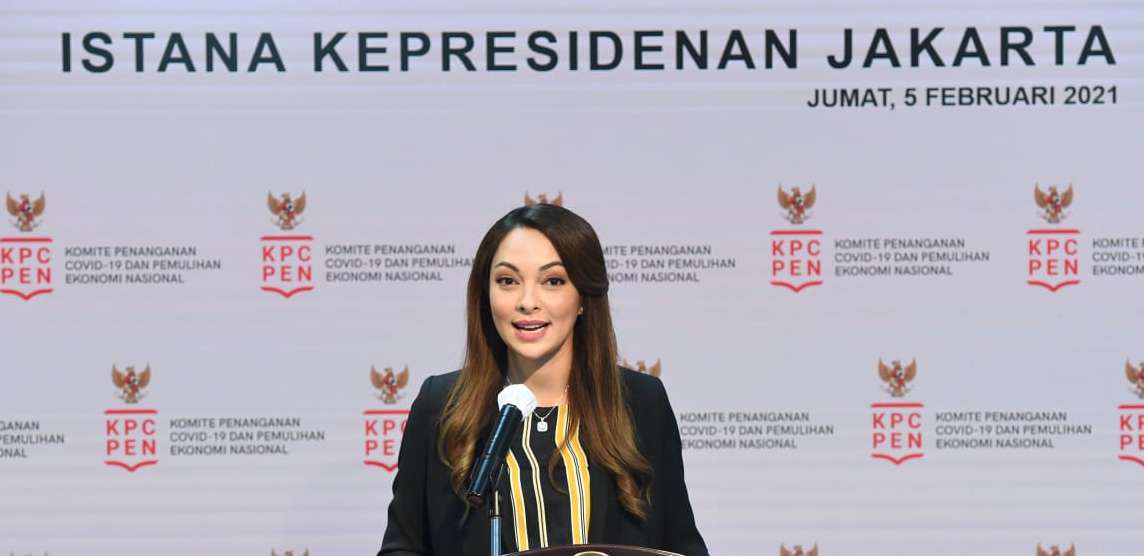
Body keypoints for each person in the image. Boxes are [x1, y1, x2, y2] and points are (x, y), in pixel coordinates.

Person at [378, 204, 708, 556]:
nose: (527, 302)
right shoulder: (441, 405)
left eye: (553, 281)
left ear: (583, 298)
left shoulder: (641, 402)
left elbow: (681, 545)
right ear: (485, 295)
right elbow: (403, 547)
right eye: (508, 281)